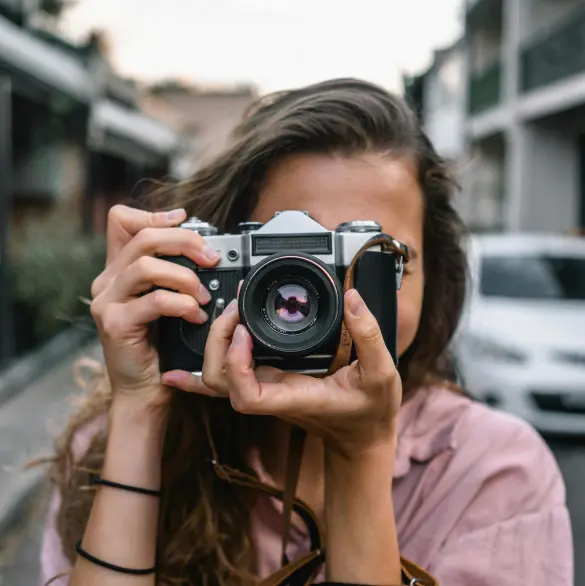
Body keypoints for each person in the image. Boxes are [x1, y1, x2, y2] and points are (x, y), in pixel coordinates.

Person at [40, 79, 572, 586]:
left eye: (377, 261)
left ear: (435, 278)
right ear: (217, 263)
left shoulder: (494, 471)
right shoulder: (111, 444)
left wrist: (360, 453)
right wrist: (140, 411)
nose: (328, 299)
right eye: (289, 262)